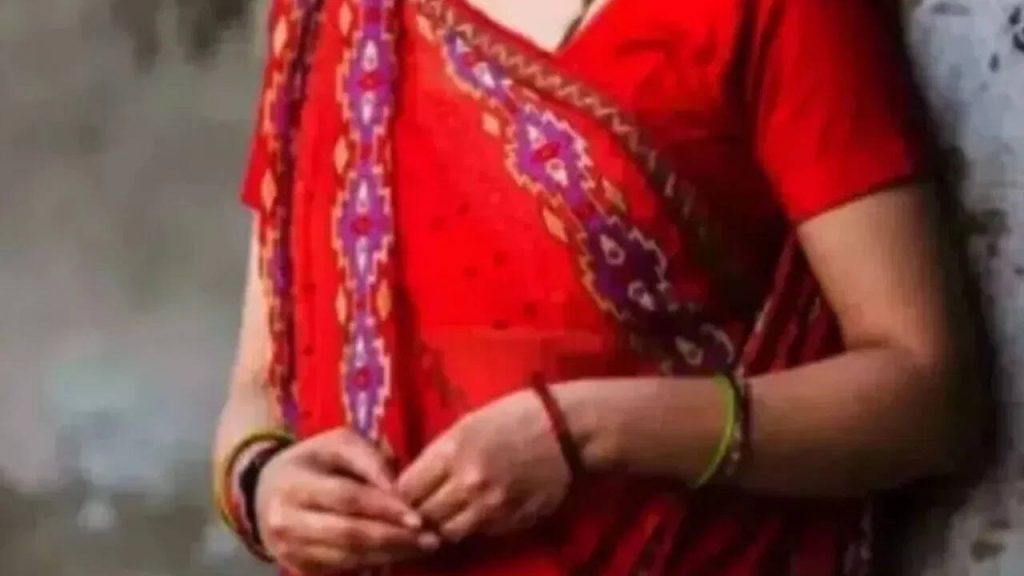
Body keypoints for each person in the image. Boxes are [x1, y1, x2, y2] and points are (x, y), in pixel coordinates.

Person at [212, 0, 977, 574]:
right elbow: (259, 387)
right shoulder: (337, 23)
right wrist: (262, 483)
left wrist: (586, 431)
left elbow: (927, 396)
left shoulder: (779, 12)